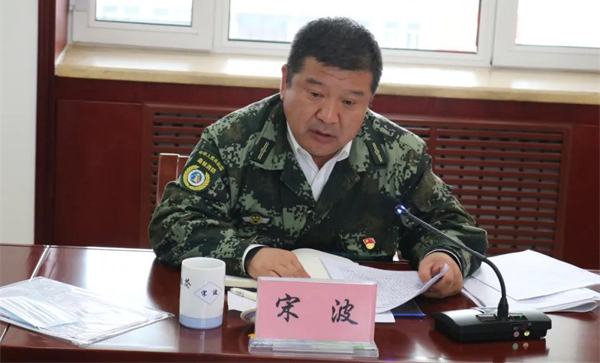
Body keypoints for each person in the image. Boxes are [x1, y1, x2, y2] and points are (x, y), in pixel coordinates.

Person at [149, 17, 487, 298]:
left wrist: (445, 257)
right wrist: (247, 255)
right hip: (249, 322)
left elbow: (454, 227)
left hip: (361, 326)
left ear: (369, 100)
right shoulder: (232, 140)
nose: (328, 116)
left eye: (349, 102)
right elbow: (171, 224)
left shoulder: (399, 154)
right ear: (285, 81)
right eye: (315, 94)